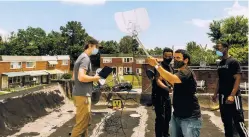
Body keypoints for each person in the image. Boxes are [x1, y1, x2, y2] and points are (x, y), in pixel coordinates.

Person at [147, 49, 202, 137]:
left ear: (186, 60)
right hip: (178, 116)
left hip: (189, 117)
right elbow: (172, 81)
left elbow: (172, 79)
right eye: (174, 57)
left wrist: (156, 65)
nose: (175, 59)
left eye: (178, 58)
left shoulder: (186, 72)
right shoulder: (179, 72)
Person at [212, 42, 249, 137]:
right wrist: (215, 93)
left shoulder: (233, 62)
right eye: (217, 48)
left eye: (219, 48)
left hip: (233, 96)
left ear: (226, 48)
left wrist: (232, 95)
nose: (218, 50)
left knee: (238, 121)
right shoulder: (220, 63)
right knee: (226, 121)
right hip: (222, 96)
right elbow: (219, 79)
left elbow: (238, 79)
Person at [70, 39, 102, 137]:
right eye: (96, 47)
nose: (96, 50)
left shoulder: (81, 57)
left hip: (80, 94)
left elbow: (74, 77)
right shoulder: (85, 58)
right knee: (81, 125)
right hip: (83, 95)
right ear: (90, 46)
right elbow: (81, 77)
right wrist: (95, 78)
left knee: (85, 123)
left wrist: (91, 75)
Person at [152, 47, 174, 137]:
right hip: (158, 95)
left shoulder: (171, 67)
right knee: (161, 118)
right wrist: (166, 88)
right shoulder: (158, 66)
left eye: (170, 56)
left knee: (168, 117)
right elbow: (158, 81)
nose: (168, 58)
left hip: (166, 96)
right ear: (163, 56)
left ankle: (166, 134)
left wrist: (172, 86)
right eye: (166, 56)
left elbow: (171, 79)